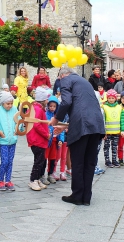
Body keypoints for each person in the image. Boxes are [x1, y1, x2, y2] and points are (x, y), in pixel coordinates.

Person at [49, 67, 105, 206]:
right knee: (89, 162)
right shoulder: (84, 81)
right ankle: (86, 197)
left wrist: (56, 118)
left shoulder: (66, 80)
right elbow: (83, 107)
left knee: (78, 161)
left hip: (82, 126)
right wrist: (66, 125)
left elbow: (66, 102)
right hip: (96, 124)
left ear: (62, 75)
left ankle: (77, 195)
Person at [27, 87, 50, 191]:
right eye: (46, 99)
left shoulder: (38, 108)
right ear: (43, 100)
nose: (47, 101)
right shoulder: (37, 109)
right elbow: (36, 125)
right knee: (38, 161)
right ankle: (33, 180)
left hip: (39, 139)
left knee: (41, 160)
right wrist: (46, 134)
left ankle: (37, 178)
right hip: (37, 139)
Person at [0, 91, 18, 191]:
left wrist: (18, 129)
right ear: (2, 103)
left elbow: (19, 120)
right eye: (7, 104)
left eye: (11, 103)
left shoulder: (14, 109)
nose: (10, 105)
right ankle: (1, 181)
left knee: (10, 161)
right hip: (3, 140)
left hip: (13, 140)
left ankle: (8, 180)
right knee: (4, 161)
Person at [44, 96, 64, 183]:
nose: (52, 108)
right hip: (48, 140)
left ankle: (50, 174)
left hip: (55, 141)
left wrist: (61, 140)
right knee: (45, 158)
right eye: (51, 106)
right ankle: (42, 175)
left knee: (53, 158)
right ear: (48, 106)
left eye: (54, 106)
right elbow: (45, 126)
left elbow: (61, 128)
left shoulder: (58, 116)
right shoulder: (45, 115)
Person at [102, 89, 123, 168]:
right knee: (106, 146)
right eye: (109, 98)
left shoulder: (119, 107)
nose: (111, 100)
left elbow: (122, 119)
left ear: (115, 98)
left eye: (112, 98)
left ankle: (114, 160)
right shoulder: (104, 107)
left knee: (114, 146)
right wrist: (103, 132)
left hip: (116, 131)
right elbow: (103, 120)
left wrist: (122, 129)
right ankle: (107, 160)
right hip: (107, 132)